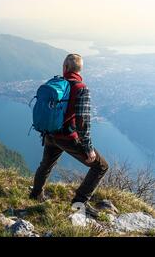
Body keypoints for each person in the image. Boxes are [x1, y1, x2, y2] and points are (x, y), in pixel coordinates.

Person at [30, 54, 109, 217]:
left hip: (50, 134)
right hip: (67, 137)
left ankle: (36, 194)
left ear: (64, 68)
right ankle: (79, 203)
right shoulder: (81, 88)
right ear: (80, 69)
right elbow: (83, 122)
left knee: (46, 164)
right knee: (100, 166)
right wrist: (88, 149)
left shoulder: (56, 84)